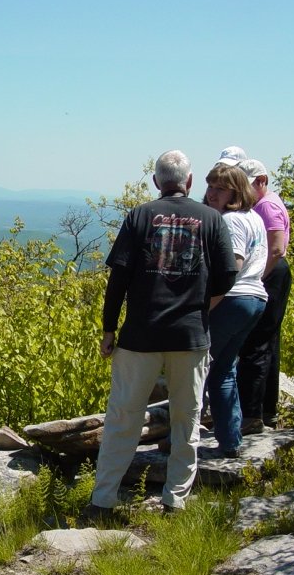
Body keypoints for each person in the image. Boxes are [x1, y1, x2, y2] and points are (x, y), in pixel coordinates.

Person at [82, 150, 237, 519]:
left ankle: (103, 501)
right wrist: (202, 303)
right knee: (187, 419)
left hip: (140, 336)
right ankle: (175, 501)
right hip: (191, 336)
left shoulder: (139, 216)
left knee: (123, 418)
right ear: (190, 181)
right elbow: (228, 276)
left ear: (156, 182)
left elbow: (118, 278)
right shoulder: (212, 219)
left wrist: (108, 328)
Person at [203, 165, 268, 457]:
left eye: (220, 188)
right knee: (224, 370)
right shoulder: (254, 218)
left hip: (233, 299)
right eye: (210, 186)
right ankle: (230, 441)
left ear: (235, 191)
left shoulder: (230, 221)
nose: (211, 193)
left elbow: (234, 267)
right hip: (255, 300)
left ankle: (179, 440)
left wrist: (205, 307)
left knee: (196, 368)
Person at [235, 159, 292, 433]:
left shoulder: (267, 205)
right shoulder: (268, 202)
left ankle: (253, 413)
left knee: (257, 343)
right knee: (266, 342)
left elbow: (277, 248)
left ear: (261, 180)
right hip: (271, 273)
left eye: (247, 184)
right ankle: (265, 410)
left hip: (271, 274)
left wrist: (257, 275)